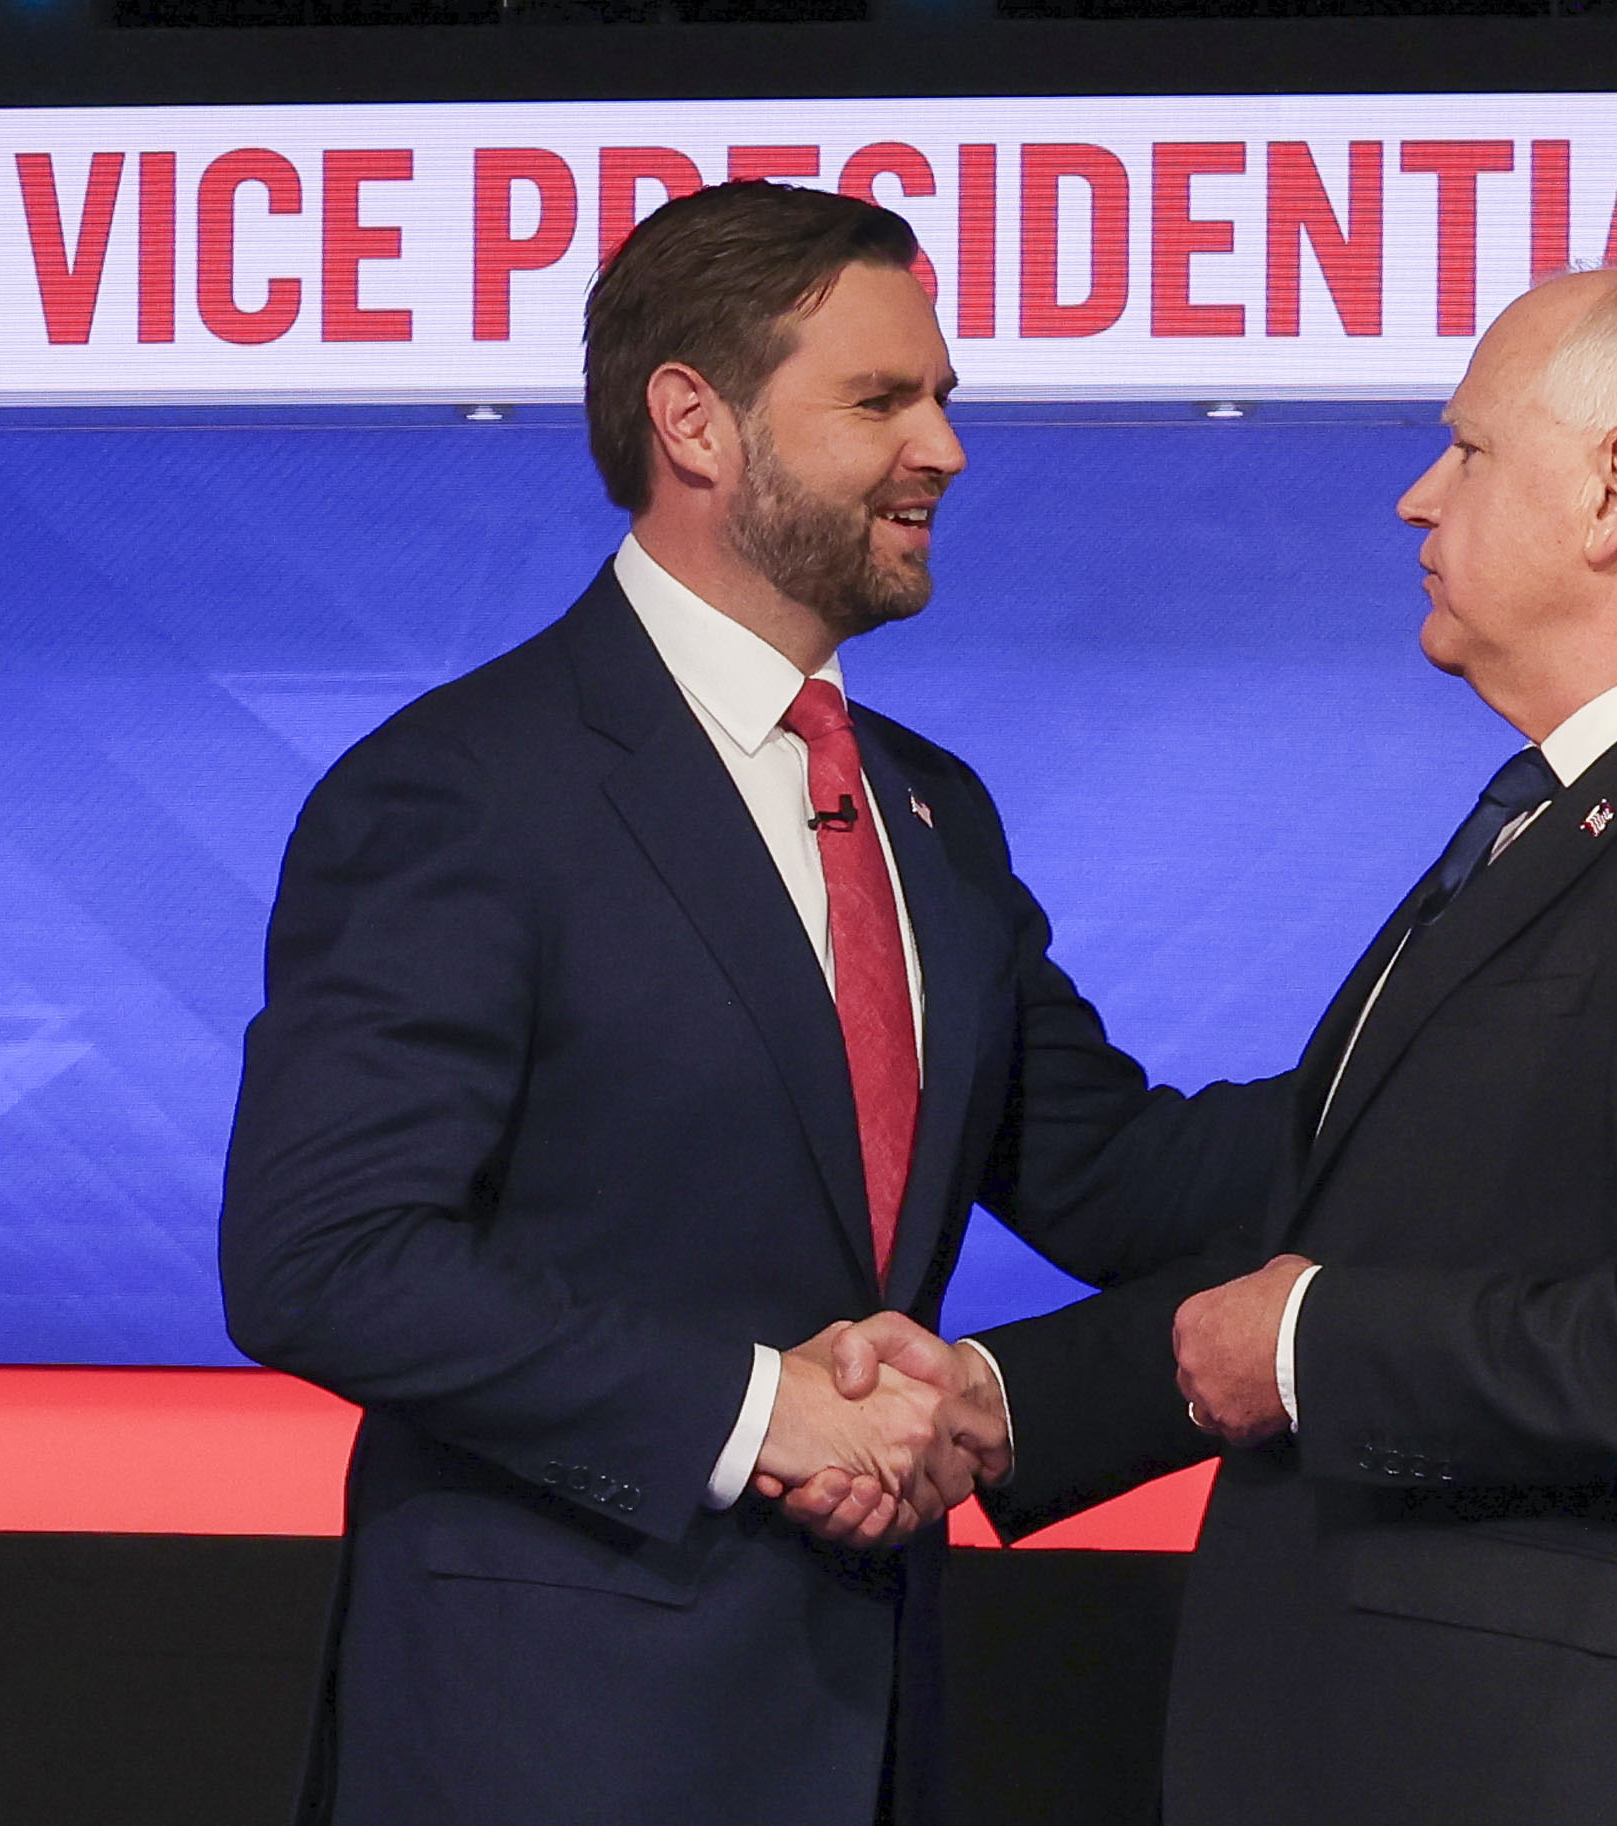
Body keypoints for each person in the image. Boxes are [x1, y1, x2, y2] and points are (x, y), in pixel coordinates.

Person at [218, 181, 1273, 1826]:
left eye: (942, 397)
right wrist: (752, 1407)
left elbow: (1116, 1173)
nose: (944, 448)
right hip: (544, 1745)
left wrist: (1438, 1067)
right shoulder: (463, 788)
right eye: (881, 399)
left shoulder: (933, 812)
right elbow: (324, 1259)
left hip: (862, 1727)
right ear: (695, 423)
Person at [837, 264, 1617, 1825]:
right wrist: (1000, 1400)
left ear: (1615, 489)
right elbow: (1329, 1204)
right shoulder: (1574, 824)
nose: (1420, 499)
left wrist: (1305, 1348)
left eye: (1469, 449)